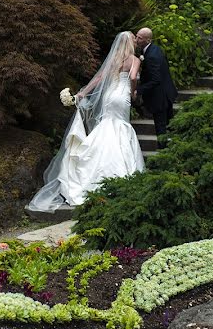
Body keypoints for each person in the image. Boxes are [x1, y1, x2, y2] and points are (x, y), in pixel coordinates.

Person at [27, 31, 146, 212]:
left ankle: (91, 166)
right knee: (121, 127)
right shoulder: (134, 60)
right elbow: (132, 77)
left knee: (107, 125)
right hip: (121, 96)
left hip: (108, 95)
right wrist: (133, 91)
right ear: (130, 43)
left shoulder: (114, 59)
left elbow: (99, 78)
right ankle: (120, 170)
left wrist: (83, 92)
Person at [134, 27, 177, 147]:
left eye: (139, 38)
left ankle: (163, 155)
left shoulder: (151, 55)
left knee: (161, 128)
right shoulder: (154, 49)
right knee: (168, 125)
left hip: (160, 97)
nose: (136, 40)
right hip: (165, 93)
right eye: (136, 36)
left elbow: (155, 79)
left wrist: (139, 90)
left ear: (148, 40)